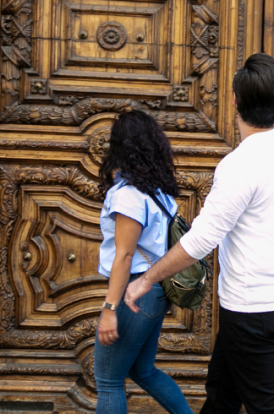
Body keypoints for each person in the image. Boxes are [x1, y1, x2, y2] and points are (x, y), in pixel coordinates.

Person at [125, 53, 274, 414]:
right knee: (222, 395)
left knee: (268, 406)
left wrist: (146, 279)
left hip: (252, 306)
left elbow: (200, 241)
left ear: (234, 100)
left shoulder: (239, 165)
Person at [93, 110, 194, 414]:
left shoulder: (129, 196)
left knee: (109, 381)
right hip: (154, 292)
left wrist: (110, 310)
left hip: (134, 294)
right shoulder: (159, 193)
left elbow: (124, 256)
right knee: (143, 371)